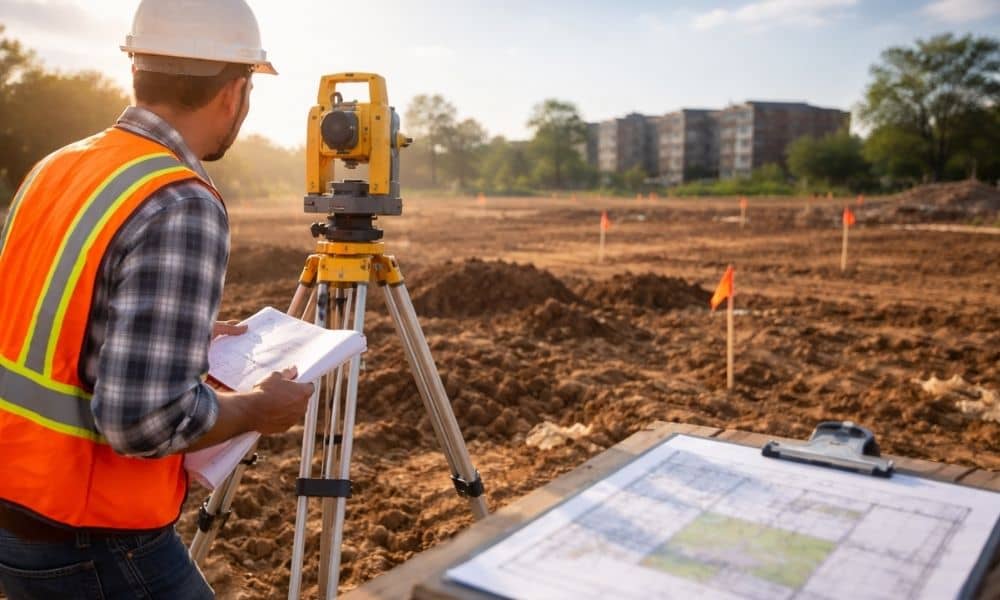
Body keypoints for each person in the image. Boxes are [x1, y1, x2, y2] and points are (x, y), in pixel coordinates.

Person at [0, 1, 313, 597]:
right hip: (92, 534)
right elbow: (143, 421)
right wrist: (255, 409)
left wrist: (180, 335)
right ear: (234, 93)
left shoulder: (60, 166)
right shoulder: (179, 200)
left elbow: (44, 314)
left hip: (16, 505)